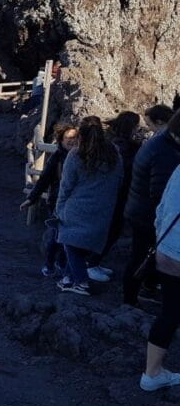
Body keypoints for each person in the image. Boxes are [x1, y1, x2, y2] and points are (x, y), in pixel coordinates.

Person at [55, 120, 123, 296]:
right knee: (81, 246)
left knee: (70, 245)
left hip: (76, 208)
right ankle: (68, 278)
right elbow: (120, 179)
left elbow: (66, 186)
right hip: (103, 209)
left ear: (81, 135)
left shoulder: (76, 155)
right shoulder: (114, 153)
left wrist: (59, 208)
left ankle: (81, 282)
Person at [123, 107, 180, 306]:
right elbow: (160, 193)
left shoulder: (162, 143)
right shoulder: (167, 152)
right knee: (140, 257)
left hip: (141, 210)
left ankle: (146, 289)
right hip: (147, 215)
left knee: (143, 256)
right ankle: (130, 302)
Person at [83, 111, 143, 281]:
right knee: (112, 230)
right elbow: (124, 170)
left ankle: (94, 262)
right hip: (117, 194)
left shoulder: (113, 140)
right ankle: (91, 263)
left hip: (112, 193)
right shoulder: (123, 146)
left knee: (110, 229)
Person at [19, 124, 78, 276]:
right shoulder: (57, 158)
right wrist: (32, 198)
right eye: (68, 138)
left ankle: (62, 261)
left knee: (69, 234)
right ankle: (50, 263)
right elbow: (44, 180)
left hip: (74, 203)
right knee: (56, 234)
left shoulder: (80, 157)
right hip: (58, 201)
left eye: (74, 137)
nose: (71, 141)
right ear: (61, 140)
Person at [141, 166, 180, 391]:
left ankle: (152, 372)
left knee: (169, 312)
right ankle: (153, 374)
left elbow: (162, 207)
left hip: (167, 251)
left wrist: (162, 242)